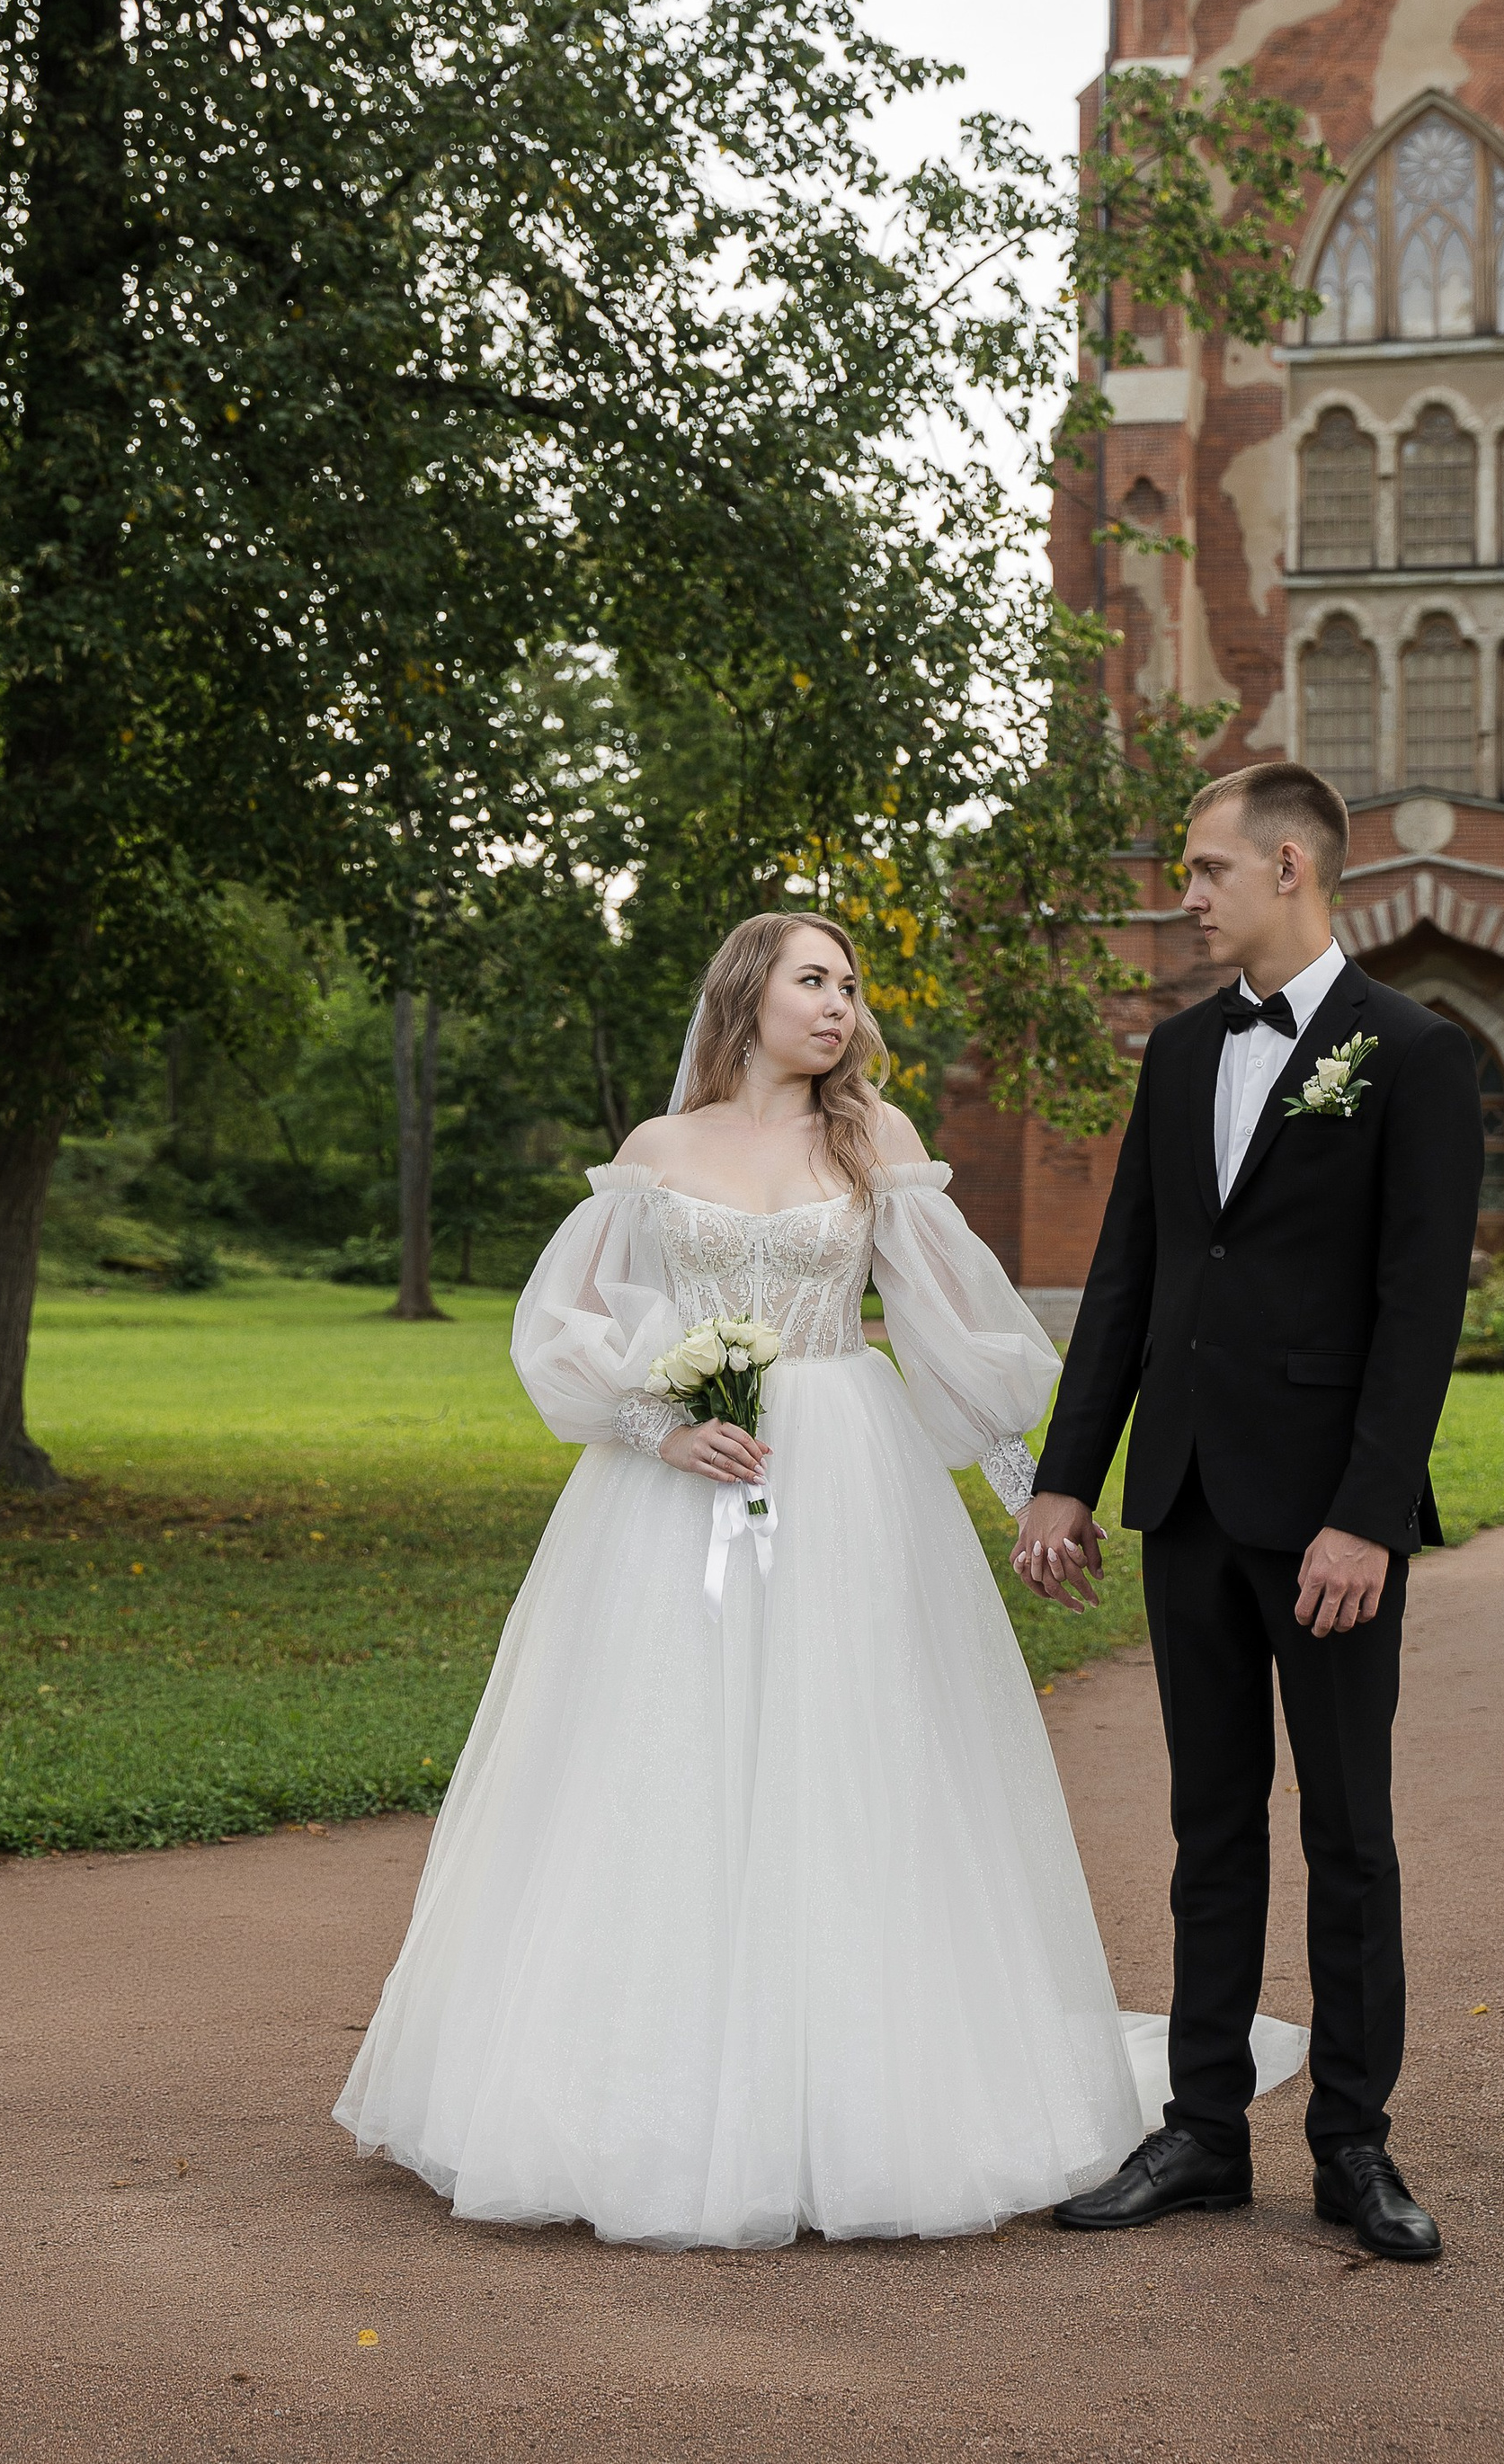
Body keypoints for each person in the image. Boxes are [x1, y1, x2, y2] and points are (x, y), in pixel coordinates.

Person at [335, 907, 1302, 2248]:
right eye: (813, 980)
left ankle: (862, 2092)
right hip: (678, 1498)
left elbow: (956, 1332)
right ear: (748, 995)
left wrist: (1036, 1500)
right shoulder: (656, 1155)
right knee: (663, 1761)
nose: (839, 1004)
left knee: (855, 1761)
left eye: (849, 983)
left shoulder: (876, 1142)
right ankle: (644, 2090)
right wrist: (656, 1425)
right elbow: (573, 1327)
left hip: (848, 1469)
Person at [1018, 762, 1482, 2264]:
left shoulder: (1413, 1053)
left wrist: (1364, 1516)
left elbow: (1419, 1314)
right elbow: (1133, 1283)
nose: (1186, 893)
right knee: (1207, 1823)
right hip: (1191, 1502)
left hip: (1330, 1524)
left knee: (1349, 1832)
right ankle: (1205, 2130)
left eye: (1208, 869)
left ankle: (1352, 2142)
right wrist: (1067, 1474)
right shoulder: (1174, 1055)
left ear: (1290, 866)